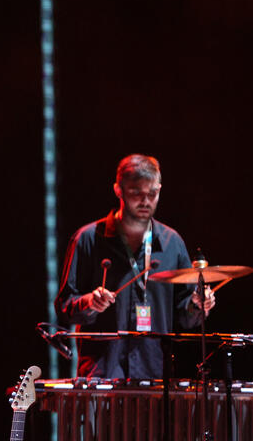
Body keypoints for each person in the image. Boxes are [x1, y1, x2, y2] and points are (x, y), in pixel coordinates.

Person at [55, 154, 215, 379]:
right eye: (136, 193)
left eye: (153, 193)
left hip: (156, 375)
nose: (146, 201)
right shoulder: (88, 239)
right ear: (118, 190)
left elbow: (184, 317)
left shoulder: (172, 243)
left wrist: (199, 304)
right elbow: (64, 307)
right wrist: (90, 302)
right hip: (101, 376)